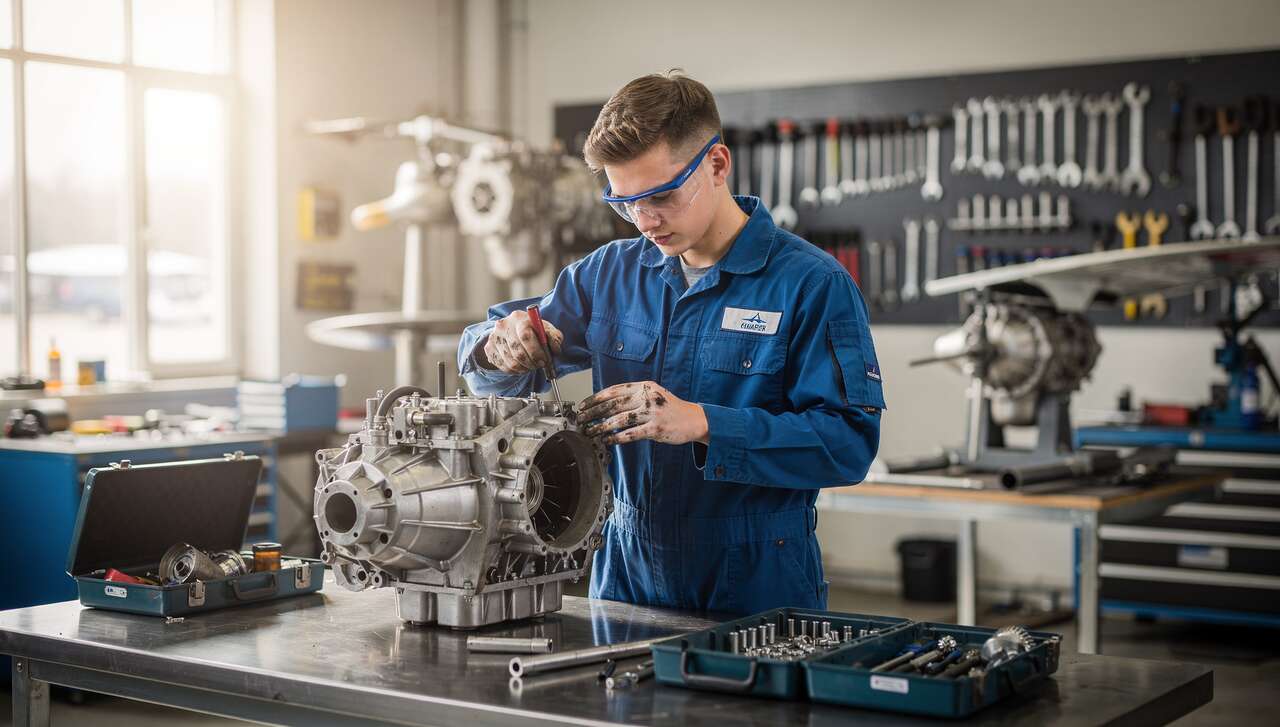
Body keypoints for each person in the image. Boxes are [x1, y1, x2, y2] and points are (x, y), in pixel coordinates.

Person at [458, 70, 884, 614]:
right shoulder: (609, 274)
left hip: (756, 577)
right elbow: (493, 357)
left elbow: (847, 446)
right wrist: (499, 344)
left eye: (661, 196)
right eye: (625, 202)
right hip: (625, 567)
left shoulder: (811, 284)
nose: (645, 221)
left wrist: (705, 424)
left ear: (717, 165)